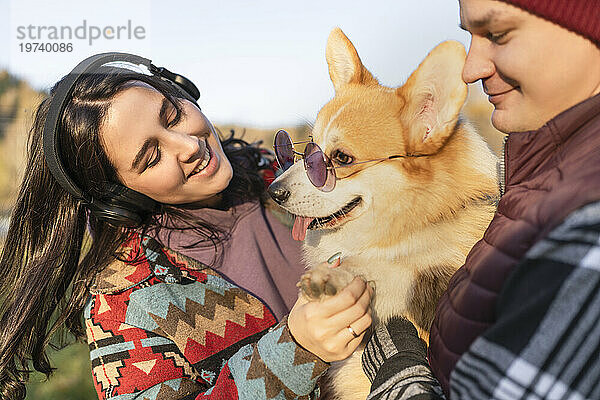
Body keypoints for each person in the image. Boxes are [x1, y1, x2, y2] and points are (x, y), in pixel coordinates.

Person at [0, 55, 373, 400]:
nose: (187, 145)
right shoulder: (121, 309)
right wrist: (296, 351)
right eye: (151, 157)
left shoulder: (278, 175)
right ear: (119, 197)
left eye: (172, 114)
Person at [361, 0, 600, 399]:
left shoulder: (586, 227)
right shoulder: (540, 178)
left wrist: (393, 351)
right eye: (469, 35)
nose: (471, 70)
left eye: (498, 34)